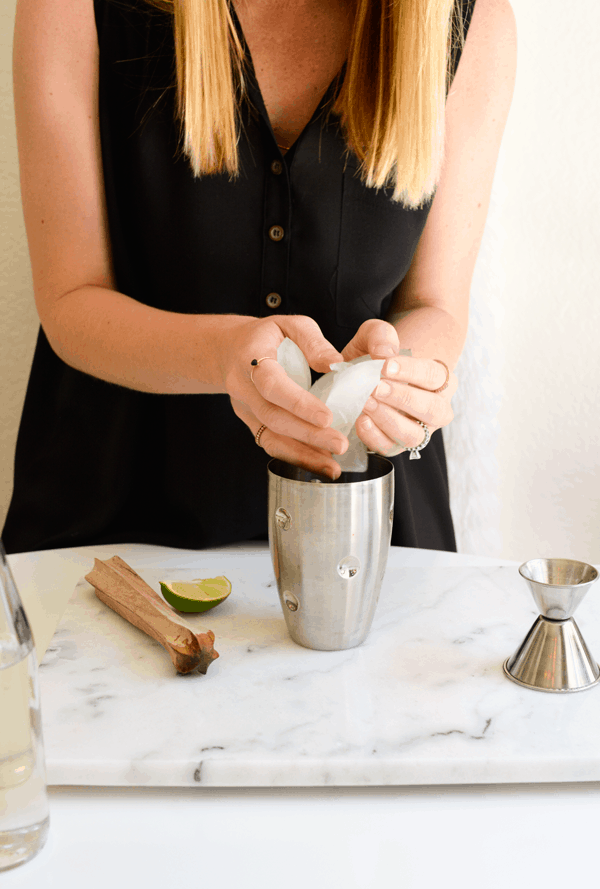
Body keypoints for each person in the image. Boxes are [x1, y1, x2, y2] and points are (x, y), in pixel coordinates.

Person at [3, 0, 516, 554]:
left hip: (366, 531)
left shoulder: (471, 19)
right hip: (116, 525)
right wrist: (223, 355)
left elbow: (436, 304)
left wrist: (395, 380)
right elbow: (70, 300)